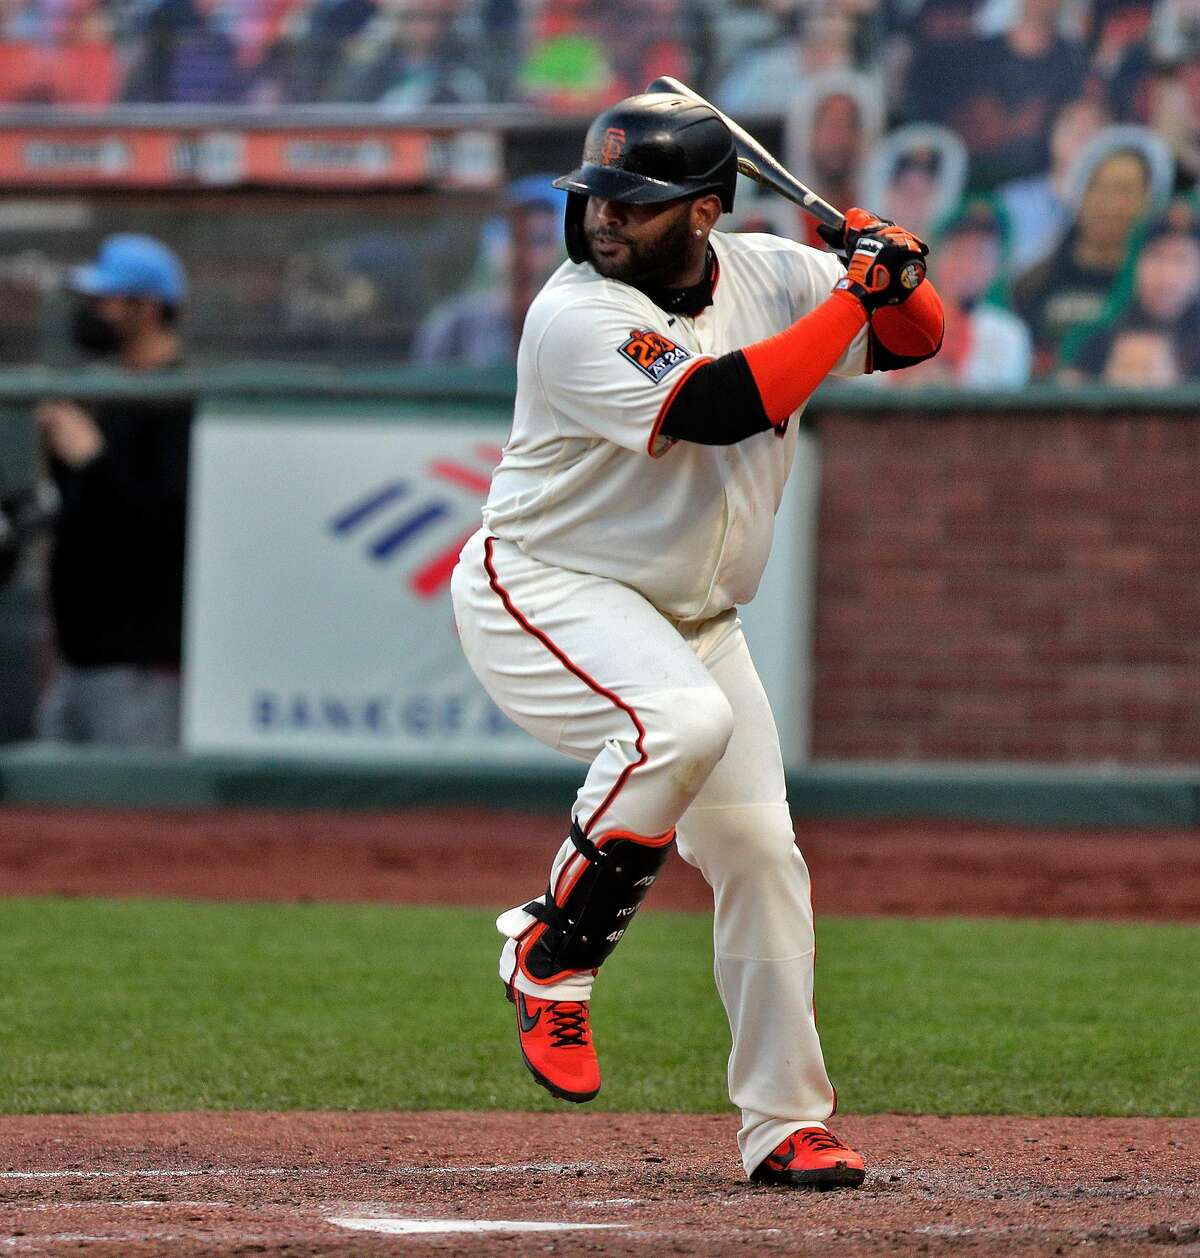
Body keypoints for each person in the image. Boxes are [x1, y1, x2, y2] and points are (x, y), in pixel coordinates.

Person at [450, 92, 943, 1190]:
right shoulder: (572, 312)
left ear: (707, 212)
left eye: (636, 202)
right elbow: (724, 402)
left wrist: (898, 275)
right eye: (596, 197)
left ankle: (786, 1122)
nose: (604, 217)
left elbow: (916, 341)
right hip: (547, 586)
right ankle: (553, 949)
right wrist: (854, 291)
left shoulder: (773, 275)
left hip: (693, 615)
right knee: (678, 720)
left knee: (765, 856)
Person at [35, 234, 192, 746]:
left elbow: (171, 521)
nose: (91, 312)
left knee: (138, 819)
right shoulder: (99, 391)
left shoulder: (185, 397)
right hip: (75, 658)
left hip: (142, 664)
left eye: (105, 299)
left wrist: (92, 459)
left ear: (147, 308)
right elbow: (79, 516)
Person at [1012, 127, 1172, 374]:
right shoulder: (1031, 281)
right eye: (1096, 186)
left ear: (1150, 201)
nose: (1108, 202)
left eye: (1124, 190)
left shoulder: (1158, 290)